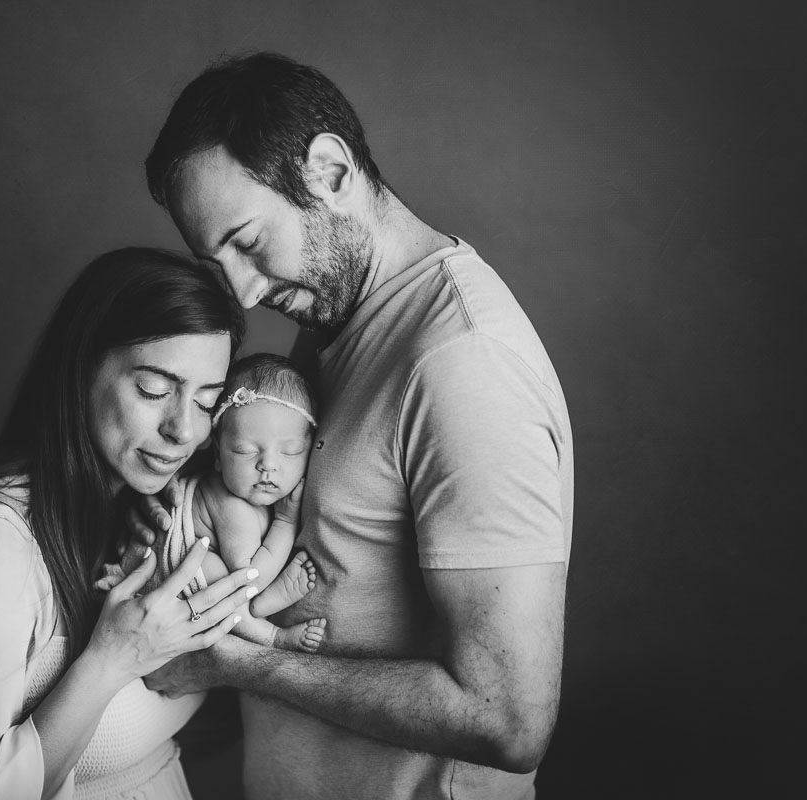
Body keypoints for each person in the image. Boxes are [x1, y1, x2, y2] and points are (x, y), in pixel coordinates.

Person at [139, 52, 575, 799]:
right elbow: (338, 591)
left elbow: (507, 718)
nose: (240, 294)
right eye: (217, 262)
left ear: (332, 172)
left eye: (247, 241)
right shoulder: (334, 324)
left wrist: (237, 661)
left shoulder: (464, 362)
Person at [0, 247, 263, 800]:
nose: (184, 429)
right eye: (154, 390)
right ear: (82, 368)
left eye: (208, 402)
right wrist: (112, 661)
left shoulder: (147, 515)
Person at [98, 352, 327, 654]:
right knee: (218, 579)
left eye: (291, 451)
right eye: (246, 451)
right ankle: (272, 634)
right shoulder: (232, 505)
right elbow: (248, 577)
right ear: (217, 455)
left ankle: (266, 601)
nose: (268, 465)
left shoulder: (248, 489)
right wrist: (285, 522)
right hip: (163, 582)